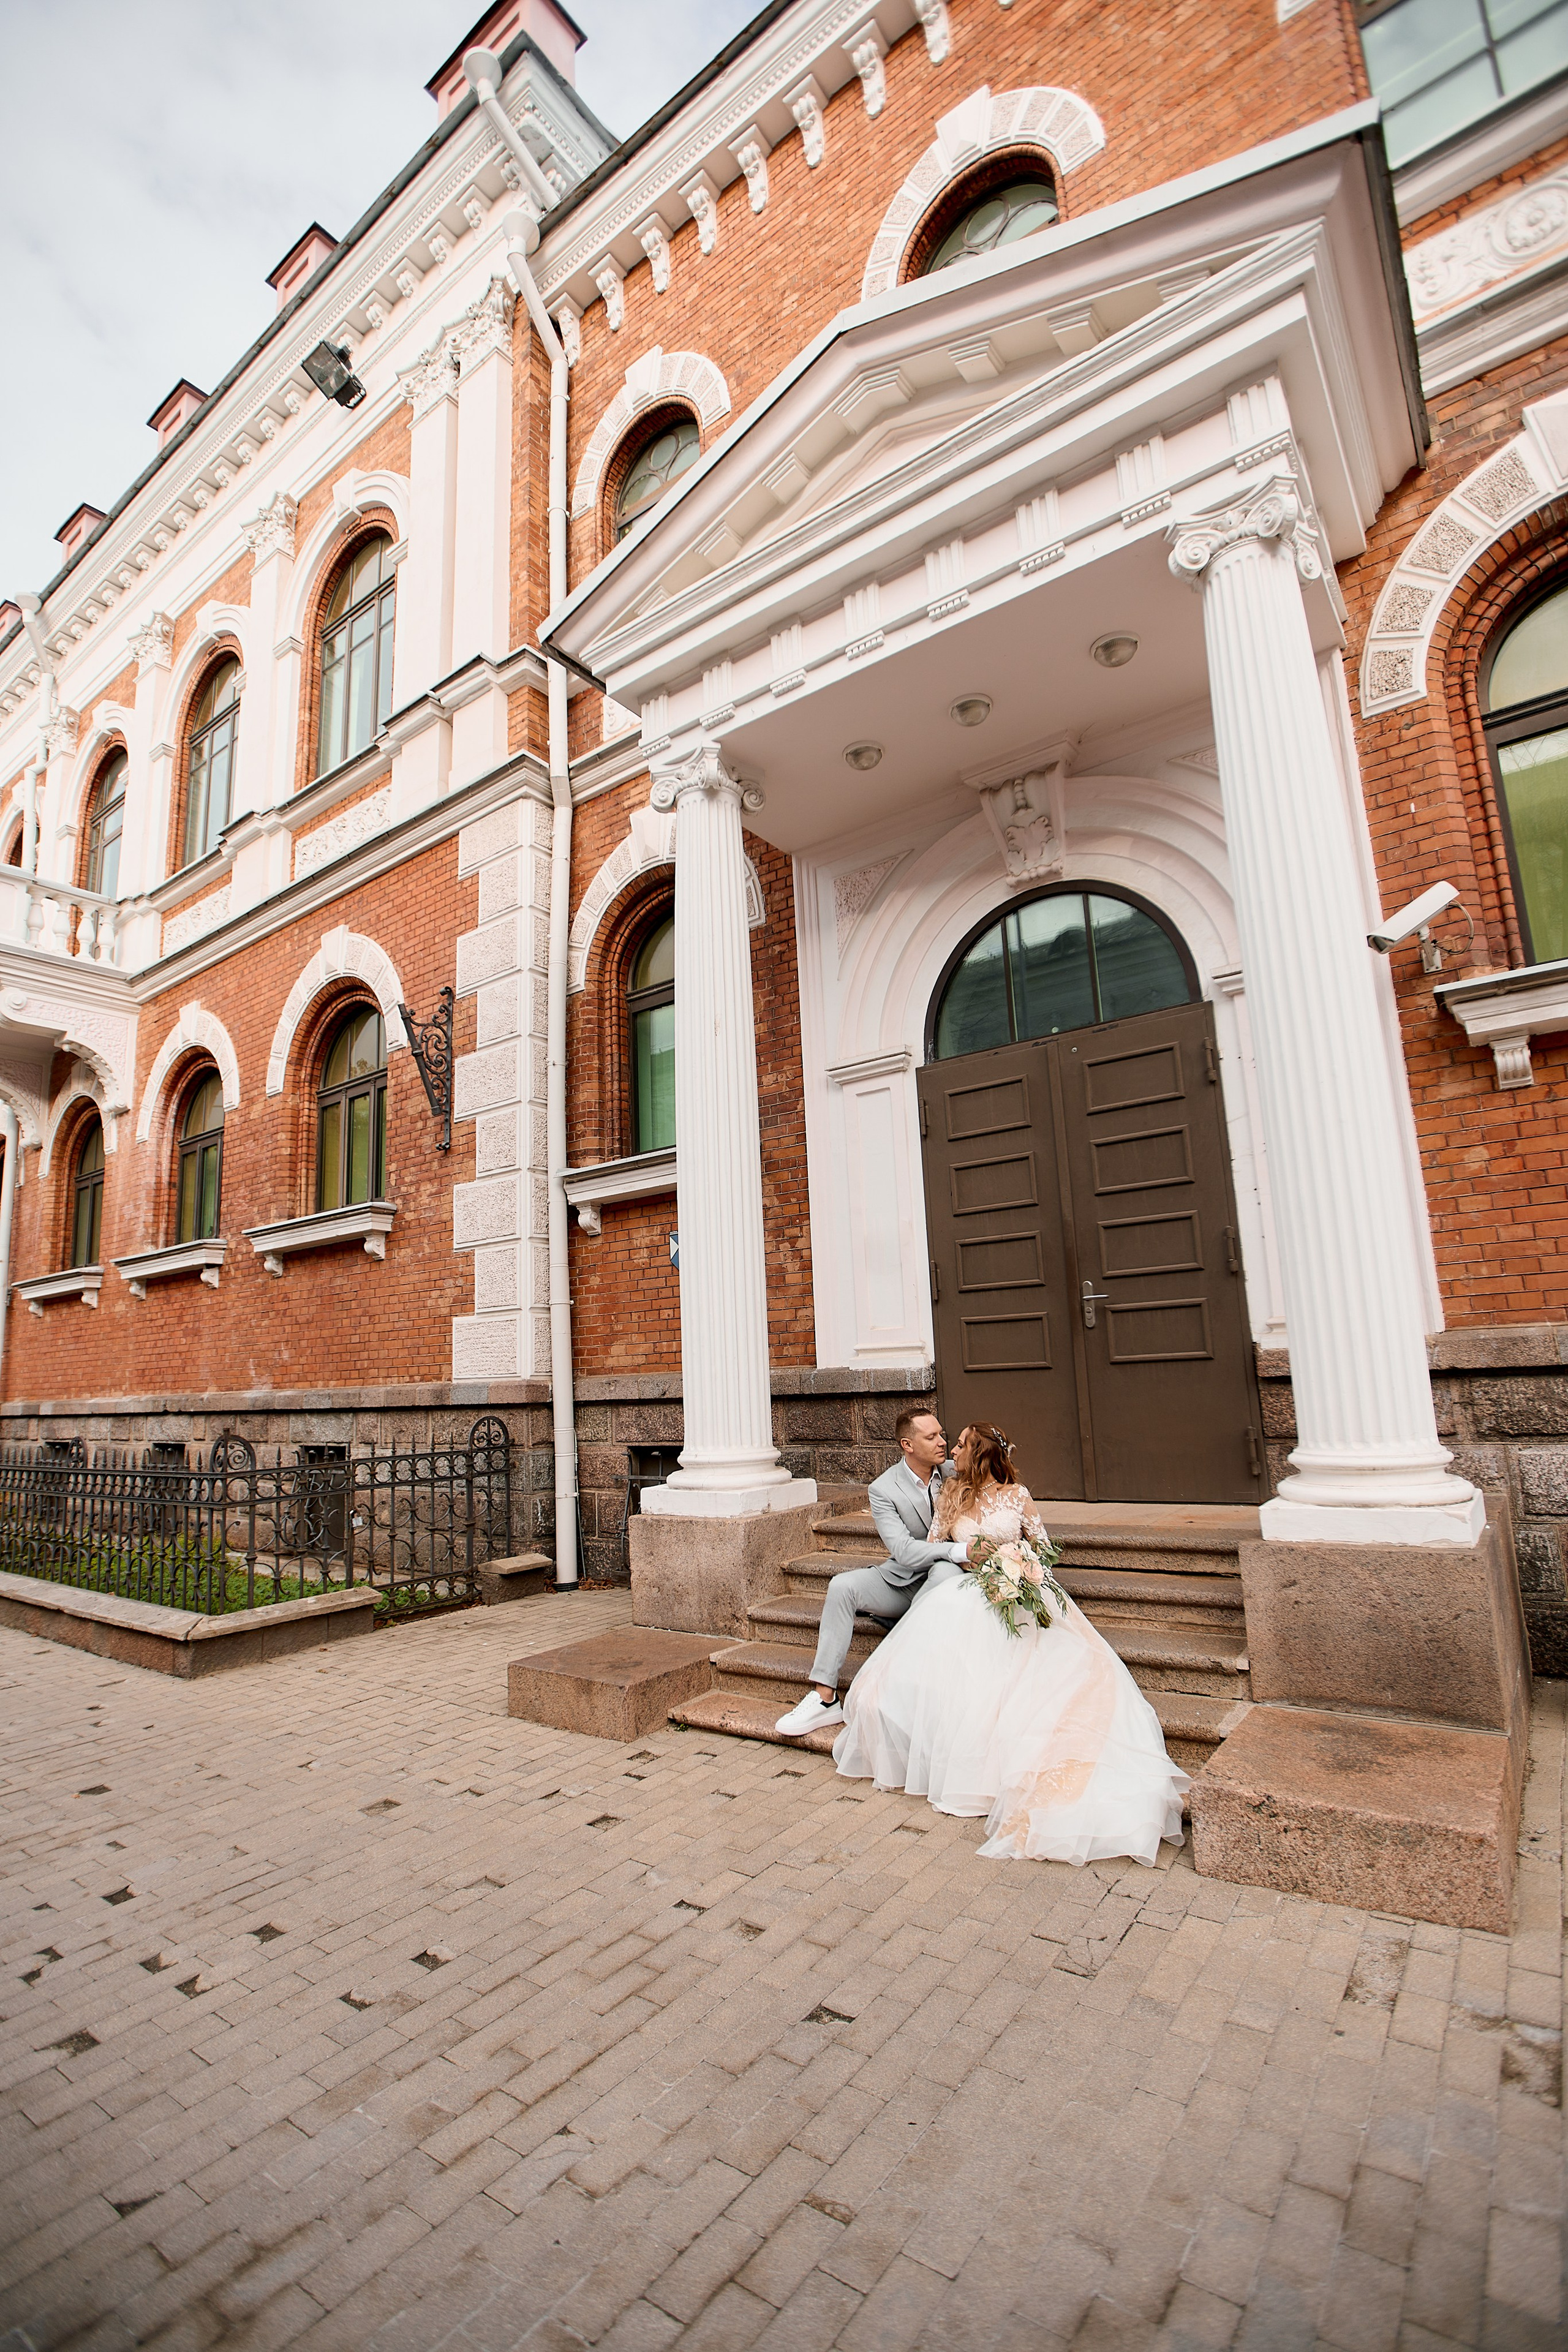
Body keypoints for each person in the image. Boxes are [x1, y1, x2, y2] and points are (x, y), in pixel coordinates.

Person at [831, 1421, 1189, 1866]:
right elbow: (933, 1547)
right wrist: (960, 1565)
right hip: (965, 1591)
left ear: (978, 1454)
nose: (950, 1451)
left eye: (959, 1445)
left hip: (1016, 1595)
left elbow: (1042, 1549)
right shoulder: (952, 1495)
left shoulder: (1017, 1496)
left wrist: (1022, 1569)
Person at [774, 1408, 971, 1738]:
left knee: (943, 1573)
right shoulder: (884, 1489)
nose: (942, 1443)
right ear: (907, 1445)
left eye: (942, 1434)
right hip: (904, 1580)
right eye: (932, 1437)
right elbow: (904, 1551)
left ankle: (895, 1682)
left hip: (950, 1579)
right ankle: (825, 1698)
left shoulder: (957, 1471)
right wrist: (958, 1550)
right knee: (842, 1585)